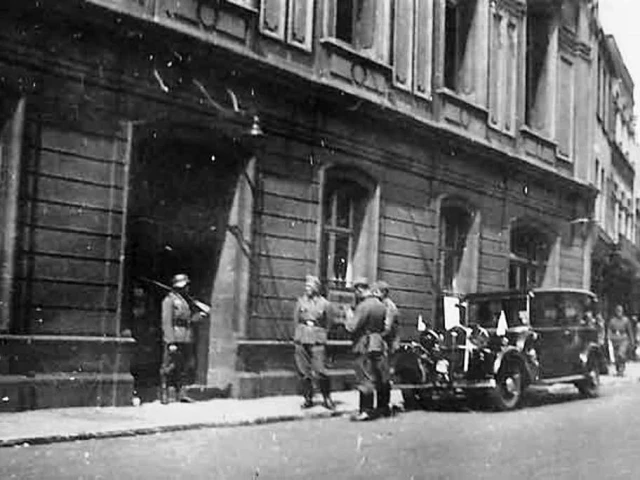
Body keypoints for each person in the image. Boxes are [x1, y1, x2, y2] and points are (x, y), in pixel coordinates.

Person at [346, 277, 388, 421]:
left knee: (365, 377)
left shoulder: (363, 306)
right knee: (379, 376)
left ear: (359, 289)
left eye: (355, 290)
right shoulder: (381, 305)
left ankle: (366, 410)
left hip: (364, 344)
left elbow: (352, 327)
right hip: (378, 343)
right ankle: (382, 408)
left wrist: (349, 316)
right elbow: (382, 327)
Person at [160, 273, 206, 403]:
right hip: (175, 336)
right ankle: (165, 394)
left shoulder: (186, 301)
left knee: (184, 366)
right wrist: (170, 341)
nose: (187, 288)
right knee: (169, 367)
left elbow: (188, 319)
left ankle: (182, 394)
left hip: (186, 337)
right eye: (185, 286)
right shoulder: (169, 300)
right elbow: (166, 322)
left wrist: (198, 317)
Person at [293, 275, 335, 410]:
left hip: (317, 339)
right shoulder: (300, 302)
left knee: (320, 371)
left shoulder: (325, 304)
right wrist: (298, 335)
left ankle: (327, 398)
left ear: (317, 288)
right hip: (302, 337)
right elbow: (296, 320)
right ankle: (308, 398)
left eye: (310, 286)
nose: (307, 289)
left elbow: (329, 323)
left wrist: (321, 335)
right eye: (306, 286)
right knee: (303, 371)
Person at [372, 281, 399, 417]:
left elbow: (387, 328)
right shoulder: (381, 305)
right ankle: (381, 405)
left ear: (383, 292)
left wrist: (374, 335)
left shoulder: (389, 306)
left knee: (384, 377)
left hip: (387, 346)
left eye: (376, 291)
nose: (373, 293)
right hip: (381, 345)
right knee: (379, 376)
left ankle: (384, 407)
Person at [607, 304, 635, 376]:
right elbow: (609, 330)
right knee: (616, 355)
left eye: (620, 311)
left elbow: (629, 331)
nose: (619, 312)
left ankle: (622, 369)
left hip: (623, 339)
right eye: (618, 311)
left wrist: (632, 341)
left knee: (621, 354)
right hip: (615, 339)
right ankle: (618, 369)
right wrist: (608, 337)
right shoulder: (612, 321)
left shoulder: (626, 320)